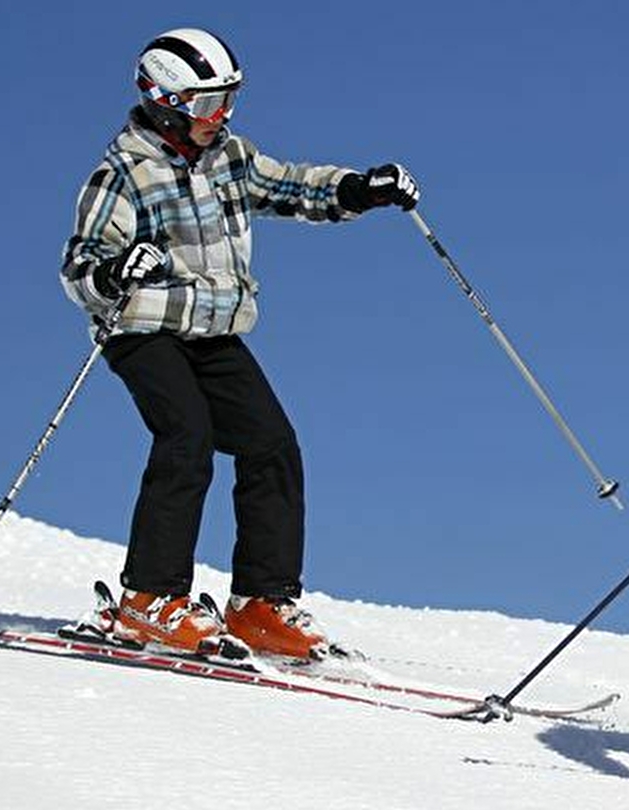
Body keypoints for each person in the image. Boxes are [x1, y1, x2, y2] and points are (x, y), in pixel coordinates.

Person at [60, 28, 420, 659]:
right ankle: (149, 600)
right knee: (187, 438)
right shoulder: (122, 174)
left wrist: (360, 189)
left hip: (214, 333)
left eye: (228, 100)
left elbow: (291, 187)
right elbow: (80, 267)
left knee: (272, 445)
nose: (219, 116)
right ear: (162, 100)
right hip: (143, 328)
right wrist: (116, 273)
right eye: (205, 104)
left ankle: (259, 603)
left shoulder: (230, 156)